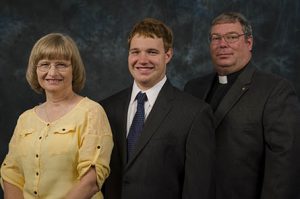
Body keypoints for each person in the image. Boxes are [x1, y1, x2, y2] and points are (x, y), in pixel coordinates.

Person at [185, 12, 300, 199]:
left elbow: (284, 168)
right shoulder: (193, 88)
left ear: (249, 43)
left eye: (232, 37)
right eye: (216, 38)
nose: (223, 44)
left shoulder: (275, 90)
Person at [100, 18, 215, 199]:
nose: (142, 60)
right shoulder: (105, 108)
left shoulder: (194, 113)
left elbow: (197, 189)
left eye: (152, 52)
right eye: (135, 52)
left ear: (167, 55)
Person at [0, 33, 113, 199]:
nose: (52, 72)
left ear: (74, 69)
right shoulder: (25, 119)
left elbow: (91, 180)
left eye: (61, 65)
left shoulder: (92, 113)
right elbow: (11, 173)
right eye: (44, 64)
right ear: (35, 69)